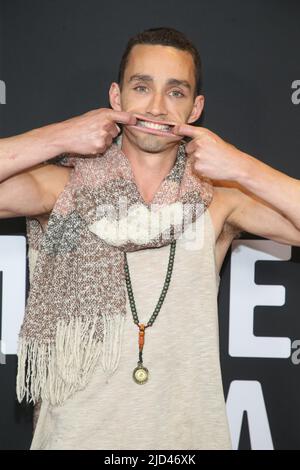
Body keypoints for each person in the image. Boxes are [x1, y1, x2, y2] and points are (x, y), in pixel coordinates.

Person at [0, 27, 299, 450]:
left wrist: (243, 169)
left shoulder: (219, 200)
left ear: (195, 109)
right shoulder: (61, 189)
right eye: (142, 87)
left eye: (175, 93)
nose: (157, 107)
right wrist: (61, 136)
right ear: (116, 98)